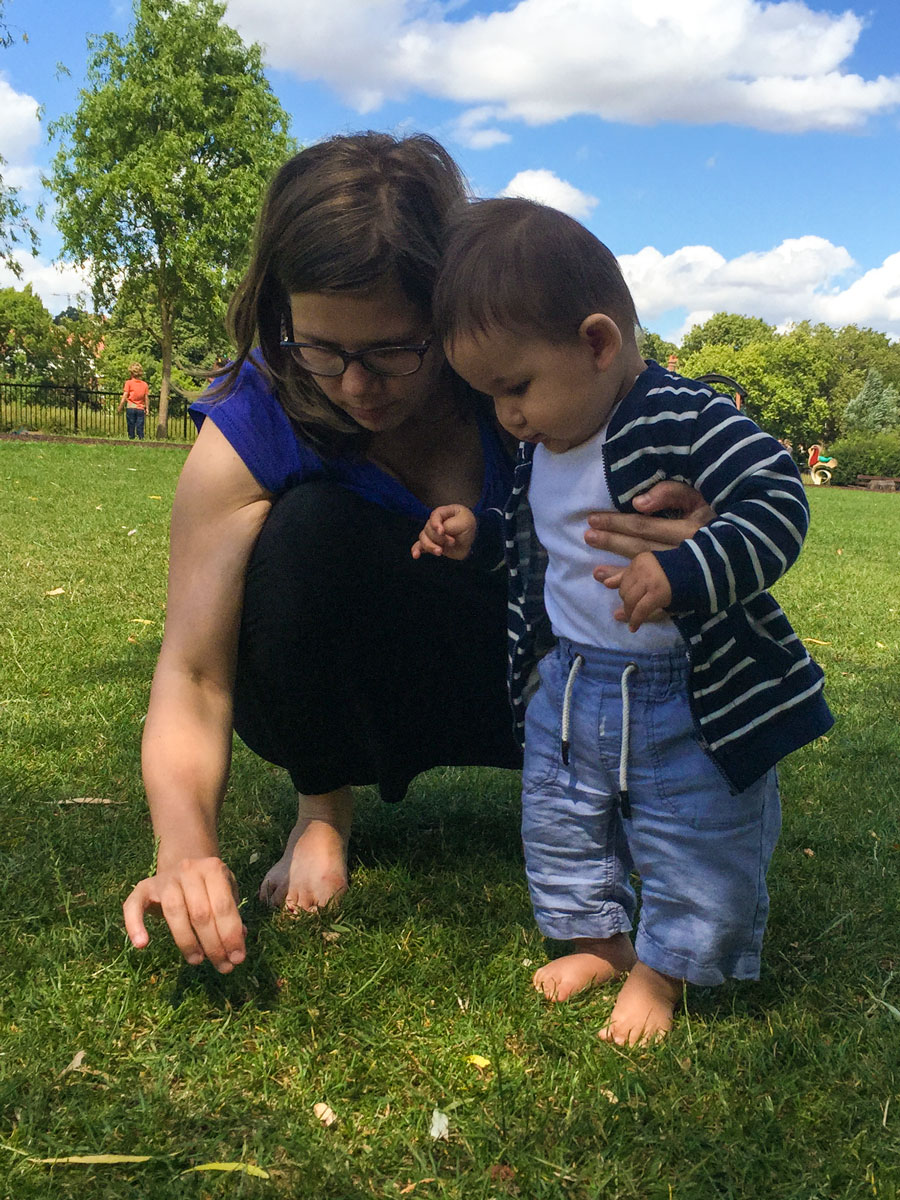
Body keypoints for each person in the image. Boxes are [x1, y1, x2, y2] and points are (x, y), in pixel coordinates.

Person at [121, 132, 710, 977]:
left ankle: (616, 799)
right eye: (322, 347)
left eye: (395, 348)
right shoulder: (263, 403)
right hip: (366, 677)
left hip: (542, 678)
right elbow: (194, 674)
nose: (357, 384)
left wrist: (700, 526)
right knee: (302, 536)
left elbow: (671, 444)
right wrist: (184, 849)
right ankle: (323, 806)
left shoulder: (522, 372)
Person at [412, 197, 834, 1045]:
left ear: (597, 343)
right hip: (569, 685)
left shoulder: (681, 414)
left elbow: (778, 500)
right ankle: (602, 943)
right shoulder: (544, 446)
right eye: (490, 395)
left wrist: (685, 571)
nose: (506, 415)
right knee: (561, 825)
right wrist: (480, 536)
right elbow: (549, 552)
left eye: (515, 386)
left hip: (686, 694)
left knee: (694, 831)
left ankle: (661, 969)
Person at [117, 363, 149, 439]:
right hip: (140, 408)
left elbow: (125, 395)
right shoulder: (145, 384)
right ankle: (141, 438)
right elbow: (146, 397)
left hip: (131, 406)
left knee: (131, 425)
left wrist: (120, 406)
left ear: (131, 373)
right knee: (140, 425)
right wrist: (147, 408)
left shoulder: (128, 383)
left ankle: (131, 438)